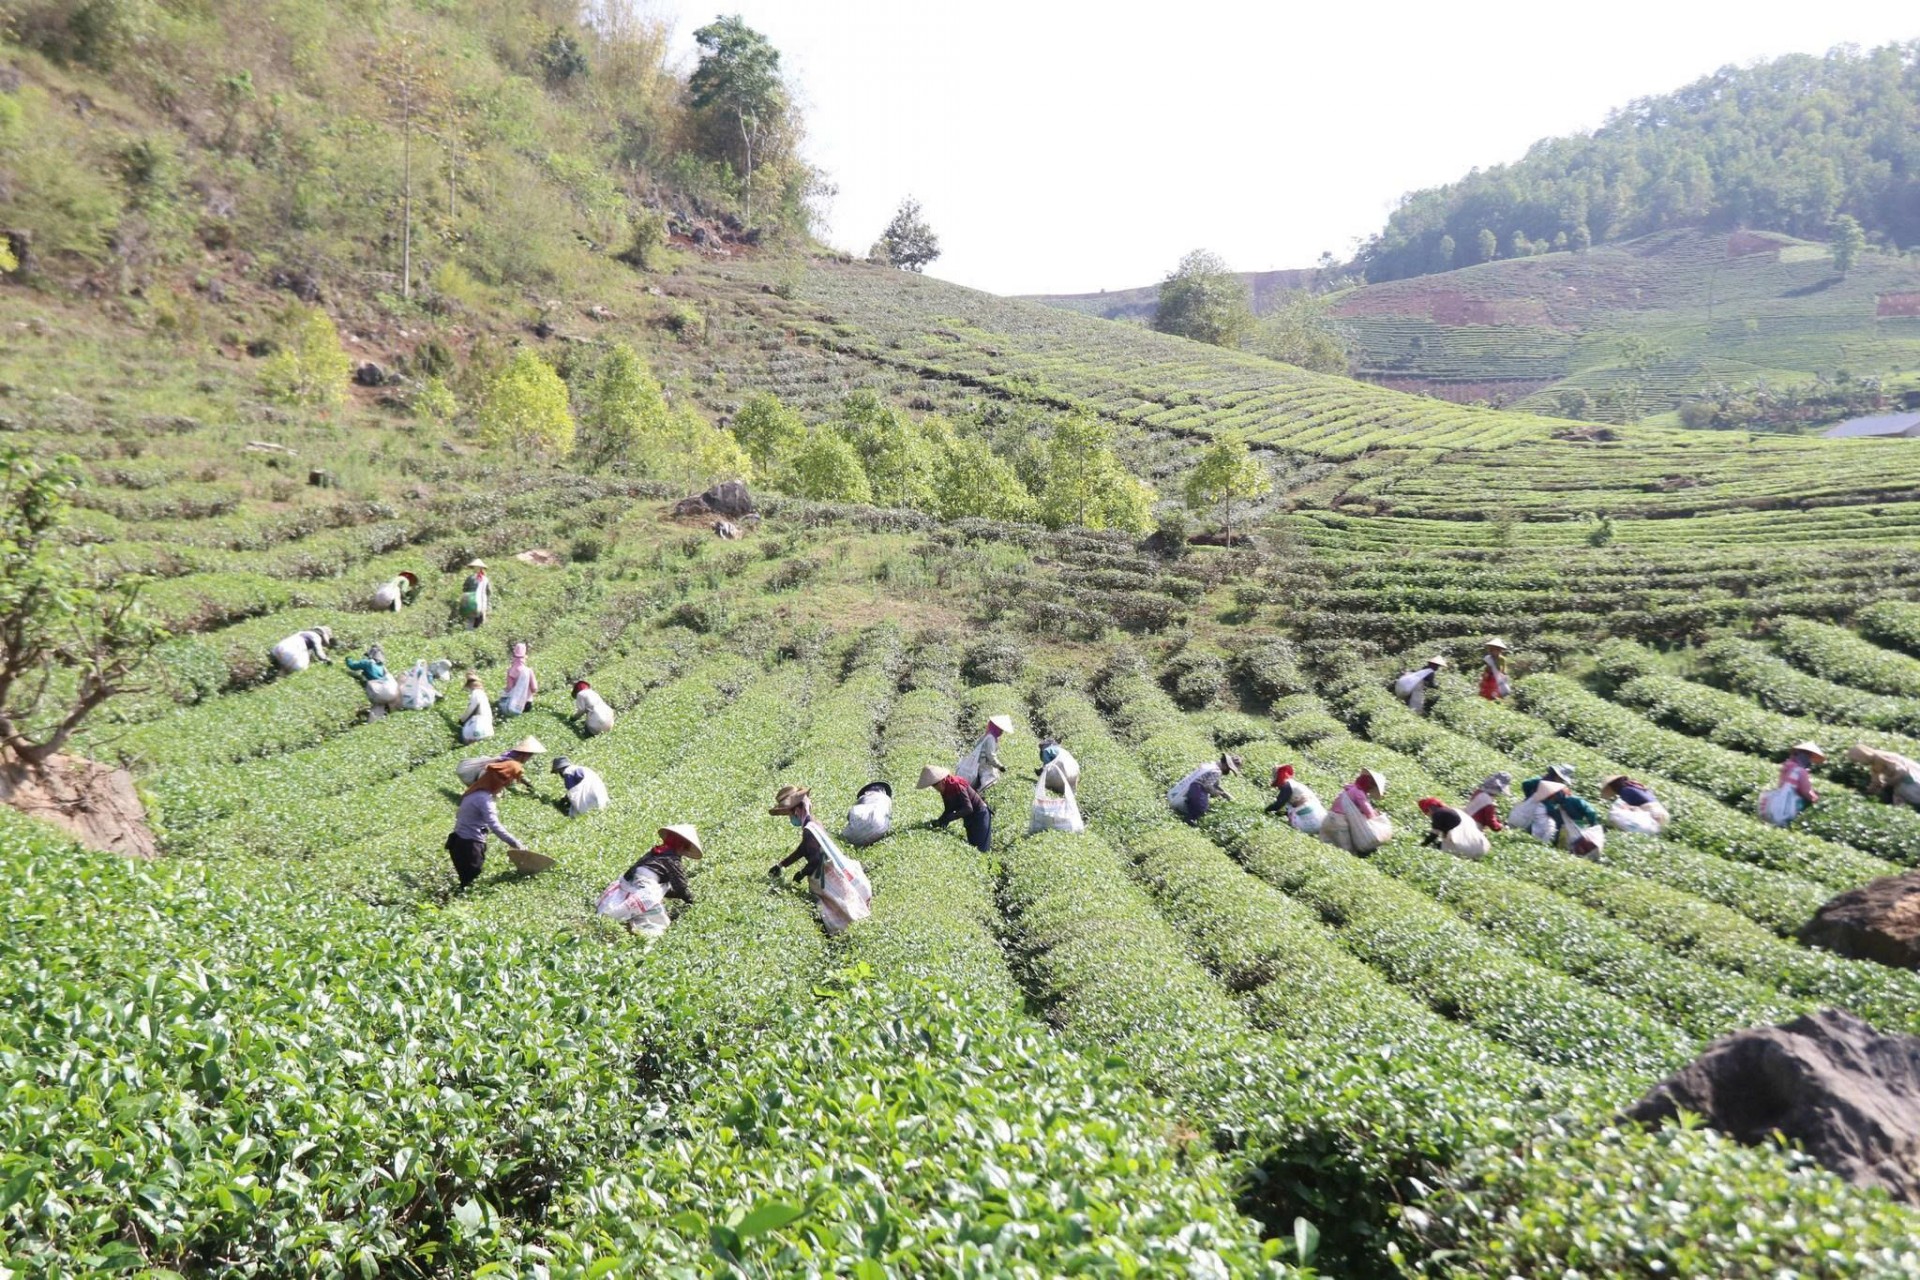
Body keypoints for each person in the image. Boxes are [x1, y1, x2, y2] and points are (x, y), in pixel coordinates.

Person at [768, 785, 873, 933]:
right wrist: (781, 865)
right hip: (829, 869)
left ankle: (845, 933)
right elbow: (803, 849)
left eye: (790, 815)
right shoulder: (813, 824)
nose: (790, 818)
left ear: (797, 811)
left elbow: (816, 859)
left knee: (839, 906)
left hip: (827, 873)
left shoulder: (809, 830)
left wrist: (802, 873)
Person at [597, 826, 701, 936]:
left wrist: (671, 894)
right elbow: (681, 887)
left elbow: (640, 869)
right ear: (681, 846)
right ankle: (637, 933)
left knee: (633, 907)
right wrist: (691, 900)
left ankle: (619, 924)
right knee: (657, 923)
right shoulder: (672, 860)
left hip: (632, 880)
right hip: (645, 886)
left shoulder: (657, 851)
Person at [445, 759, 528, 888]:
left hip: (460, 842)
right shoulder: (483, 799)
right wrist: (516, 843)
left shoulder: (475, 793)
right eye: (508, 782)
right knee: (470, 884)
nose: (507, 786)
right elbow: (494, 825)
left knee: (467, 882)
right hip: (469, 846)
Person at [920, 765, 993, 852]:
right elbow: (949, 809)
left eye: (936, 785)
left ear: (942, 780)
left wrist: (949, 818)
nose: (936, 788)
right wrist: (940, 821)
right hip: (969, 818)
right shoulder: (945, 790)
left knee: (982, 849)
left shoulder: (957, 785)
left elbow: (968, 808)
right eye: (933, 786)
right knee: (973, 846)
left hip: (980, 815)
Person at [1320, 768, 1394, 854]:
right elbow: (1369, 812)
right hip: (1339, 823)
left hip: (1329, 818)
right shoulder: (1359, 793)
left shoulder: (1351, 788)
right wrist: (1378, 819)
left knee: (1326, 846)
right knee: (1346, 852)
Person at [1759, 741, 1825, 827]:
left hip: (1778, 802)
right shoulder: (1800, 771)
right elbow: (1806, 792)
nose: (1809, 759)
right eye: (1807, 755)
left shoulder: (1788, 766)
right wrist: (1816, 799)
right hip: (1787, 807)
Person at [1507, 765, 1575, 843]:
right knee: (1548, 828)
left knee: (1524, 822)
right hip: (1539, 809)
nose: (1561, 780)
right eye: (1561, 778)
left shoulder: (1542, 781)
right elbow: (1526, 784)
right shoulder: (1552, 785)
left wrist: (1530, 795)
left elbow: (1526, 784)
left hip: (1532, 805)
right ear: (1556, 775)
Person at [1168, 754, 1242, 824]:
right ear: (1226, 765)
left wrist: (1227, 796)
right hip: (1197, 788)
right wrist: (1214, 792)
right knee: (1201, 807)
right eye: (1229, 769)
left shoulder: (1211, 765)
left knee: (1194, 805)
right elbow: (1207, 785)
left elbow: (1215, 784)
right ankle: (1188, 821)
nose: (1228, 771)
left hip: (1191, 787)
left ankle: (1184, 815)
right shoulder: (1217, 771)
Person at [456, 735, 544, 794]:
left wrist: (528, 784)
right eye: (529, 756)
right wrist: (523, 792)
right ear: (524, 755)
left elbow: (518, 775)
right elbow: (510, 783)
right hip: (479, 776)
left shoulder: (511, 756)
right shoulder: (510, 762)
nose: (529, 758)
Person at [1029, 749, 1085, 835]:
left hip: (1061, 776)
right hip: (1073, 775)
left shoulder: (1045, 751)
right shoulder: (1062, 751)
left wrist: (1040, 771)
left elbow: (1047, 766)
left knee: (1050, 779)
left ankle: (1056, 788)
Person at [1847, 744, 1920, 809]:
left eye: (1857, 760)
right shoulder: (1874, 762)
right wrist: (1868, 792)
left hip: (1910, 780)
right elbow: (1876, 781)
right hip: (1901, 784)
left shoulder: (1881, 758)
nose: (1858, 763)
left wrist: (1889, 782)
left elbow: (1902, 771)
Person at [954, 715, 1013, 792]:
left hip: (978, 762)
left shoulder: (987, 735)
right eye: (1001, 729)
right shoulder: (991, 738)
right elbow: (990, 756)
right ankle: (980, 795)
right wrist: (1000, 766)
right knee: (990, 780)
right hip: (982, 764)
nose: (1002, 732)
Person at [1542, 785, 1606, 856]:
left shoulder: (1561, 808)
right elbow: (1591, 812)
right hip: (1581, 831)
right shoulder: (1568, 803)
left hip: (1572, 837)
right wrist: (1593, 824)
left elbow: (1558, 828)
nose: (1553, 798)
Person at [1418, 796, 1490, 859]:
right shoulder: (1452, 810)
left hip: (1465, 850)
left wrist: (1422, 845)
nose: (1428, 815)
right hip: (1481, 848)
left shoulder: (1437, 814)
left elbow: (1434, 835)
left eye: (1426, 813)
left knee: (1436, 847)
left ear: (1429, 809)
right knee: (1439, 844)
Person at [1264, 764, 1327, 834]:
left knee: (1290, 809)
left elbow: (1279, 804)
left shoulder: (1287, 786)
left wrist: (1266, 811)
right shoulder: (1296, 785)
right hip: (1322, 819)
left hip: (1311, 820)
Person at [346, 644, 401, 720]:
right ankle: (385, 714)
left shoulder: (367, 663)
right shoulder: (382, 667)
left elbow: (352, 665)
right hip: (391, 692)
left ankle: (374, 719)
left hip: (377, 692)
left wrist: (348, 657)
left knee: (377, 702)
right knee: (382, 704)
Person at [1601, 774, 1670, 834]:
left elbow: (1625, 808)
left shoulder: (1625, 791)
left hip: (1654, 815)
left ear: (1615, 786)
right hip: (1664, 814)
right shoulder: (1634, 787)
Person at [843, 781, 894, 847]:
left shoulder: (867, 796)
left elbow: (849, 815)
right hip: (878, 832)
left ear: (867, 791)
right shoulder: (887, 801)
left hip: (853, 834)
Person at [497, 642, 537, 718]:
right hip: (527, 704)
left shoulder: (511, 671)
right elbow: (534, 688)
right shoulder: (528, 671)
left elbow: (509, 687)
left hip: (514, 703)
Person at [459, 672, 495, 744]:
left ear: (470, 686)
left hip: (479, 724)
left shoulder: (476, 693)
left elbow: (472, 707)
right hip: (488, 726)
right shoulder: (483, 694)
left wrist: (462, 719)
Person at [459, 560, 491, 629]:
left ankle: (469, 634)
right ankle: (477, 634)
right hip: (482, 602)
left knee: (470, 620)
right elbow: (488, 591)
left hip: (471, 601)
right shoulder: (485, 579)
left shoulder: (470, 578)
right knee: (481, 621)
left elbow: (464, 589)